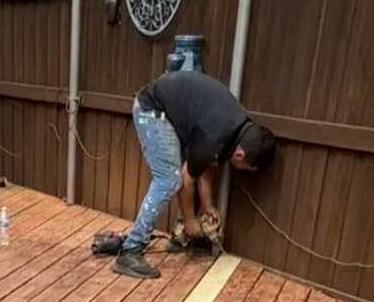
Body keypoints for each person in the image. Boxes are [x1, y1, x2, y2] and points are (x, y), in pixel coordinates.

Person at [112, 70, 276, 280]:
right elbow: (187, 180)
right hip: (151, 109)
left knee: (174, 177)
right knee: (169, 179)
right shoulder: (216, 136)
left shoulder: (236, 127)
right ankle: (130, 251)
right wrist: (190, 220)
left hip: (167, 107)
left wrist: (208, 206)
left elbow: (204, 165)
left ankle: (178, 239)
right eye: (248, 167)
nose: (245, 172)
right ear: (240, 154)